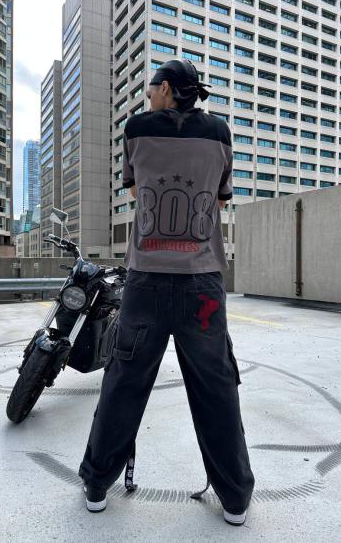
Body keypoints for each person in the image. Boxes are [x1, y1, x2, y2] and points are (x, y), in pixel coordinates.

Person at [78, 59, 255, 526]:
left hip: (146, 280)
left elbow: (136, 192)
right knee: (216, 387)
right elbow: (220, 199)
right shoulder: (219, 133)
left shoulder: (136, 129)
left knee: (124, 381)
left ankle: (97, 484)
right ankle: (235, 498)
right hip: (203, 285)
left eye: (152, 86)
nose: (148, 93)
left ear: (168, 89)